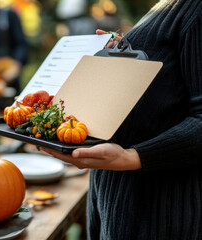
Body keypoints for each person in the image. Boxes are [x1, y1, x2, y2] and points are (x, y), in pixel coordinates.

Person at [42, 1, 202, 239]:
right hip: (120, 200)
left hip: (157, 212)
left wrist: (131, 157)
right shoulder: (167, 6)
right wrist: (120, 50)